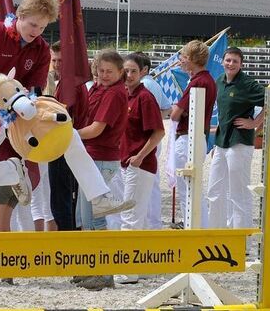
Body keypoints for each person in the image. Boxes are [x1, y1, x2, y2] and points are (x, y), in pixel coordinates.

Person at [0, 0, 130, 269]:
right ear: (20, 15)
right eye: (32, 25)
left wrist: (33, 108)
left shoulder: (40, 49)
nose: (36, 32)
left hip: (19, 112)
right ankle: (16, 172)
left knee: (70, 135)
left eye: (42, 27)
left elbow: (34, 90)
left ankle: (100, 196)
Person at [74, 50, 130, 290]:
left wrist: (69, 136)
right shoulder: (98, 88)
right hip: (91, 157)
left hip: (101, 159)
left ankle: (104, 272)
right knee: (85, 218)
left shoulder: (115, 93)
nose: (104, 75)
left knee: (95, 218)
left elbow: (96, 129)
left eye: (110, 71)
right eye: (101, 70)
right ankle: (91, 267)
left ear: (120, 73)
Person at [111, 51, 166, 285]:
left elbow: (159, 131)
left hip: (138, 163)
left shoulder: (144, 97)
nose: (129, 75)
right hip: (127, 161)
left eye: (133, 70)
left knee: (130, 215)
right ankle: (143, 266)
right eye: (126, 70)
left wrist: (140, 156)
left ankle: (128, 269)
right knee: (138, 216)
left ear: (142, 72)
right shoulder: (125, 95)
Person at [207, 47, 265, 229]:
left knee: (238, 192)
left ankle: (242, 240)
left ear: (241, 64)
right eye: (228, 60)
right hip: (221, 143)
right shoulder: (219, 81)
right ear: (223, 61)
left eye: (235, 61)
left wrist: (255, 122)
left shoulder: (248, 84)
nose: (230, 64)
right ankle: (215, 233)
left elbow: (269, 100)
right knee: (214, 190)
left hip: (239, 142)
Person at [170, 40, 216, 228]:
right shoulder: (207, 80)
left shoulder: (198, 81)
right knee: (192, 188)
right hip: (196, 136)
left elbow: (175, 114)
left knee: (188, 190)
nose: (181, 60)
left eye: (184, 57)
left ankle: (194, 228)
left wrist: (177, 109)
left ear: (192, 60)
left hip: (188, 137)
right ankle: (197, 227)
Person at [48, 41, 88, 232]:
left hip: (64, 145)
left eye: (60, 61)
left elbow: (61, 117)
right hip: (66, 144)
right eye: (54, 60)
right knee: (64, 197)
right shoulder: (68, 82)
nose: (56, 64)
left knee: (62, 198)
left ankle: (67, 237)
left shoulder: (69, 84)